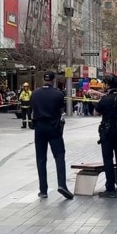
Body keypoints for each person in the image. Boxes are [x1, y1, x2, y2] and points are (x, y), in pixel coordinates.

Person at [30, 71, 74, 200]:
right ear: (53, 80)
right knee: (59, 155)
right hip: (53, 127)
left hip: (39, 127)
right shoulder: (58, 94)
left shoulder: (35, 93)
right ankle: (62, 185)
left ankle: (43, 190)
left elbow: (32, 108)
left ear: (44, 79)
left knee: (41, 158)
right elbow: (61, 109)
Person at [94, 74, 117, 198]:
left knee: (108, 159)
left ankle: (110, 188)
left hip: (107, 132)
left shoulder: (105, 99)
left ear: (108, 85)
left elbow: (96, 112)